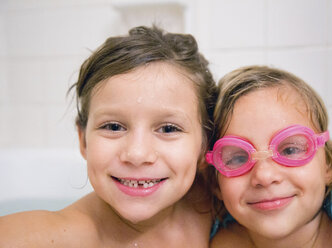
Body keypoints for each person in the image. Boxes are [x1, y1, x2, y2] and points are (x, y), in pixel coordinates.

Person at [0, 25, 216, 247]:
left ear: (203, 147)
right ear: (83, 140)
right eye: (113, 127)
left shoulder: (214, 202)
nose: (137, 154)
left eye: (169, 129)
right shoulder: (59, 236)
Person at [207, 65, 332, 247]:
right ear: (216, 184)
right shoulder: (208, 239)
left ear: (329, 165)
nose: (264, 176)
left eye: (290, 150)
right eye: (238, 158)